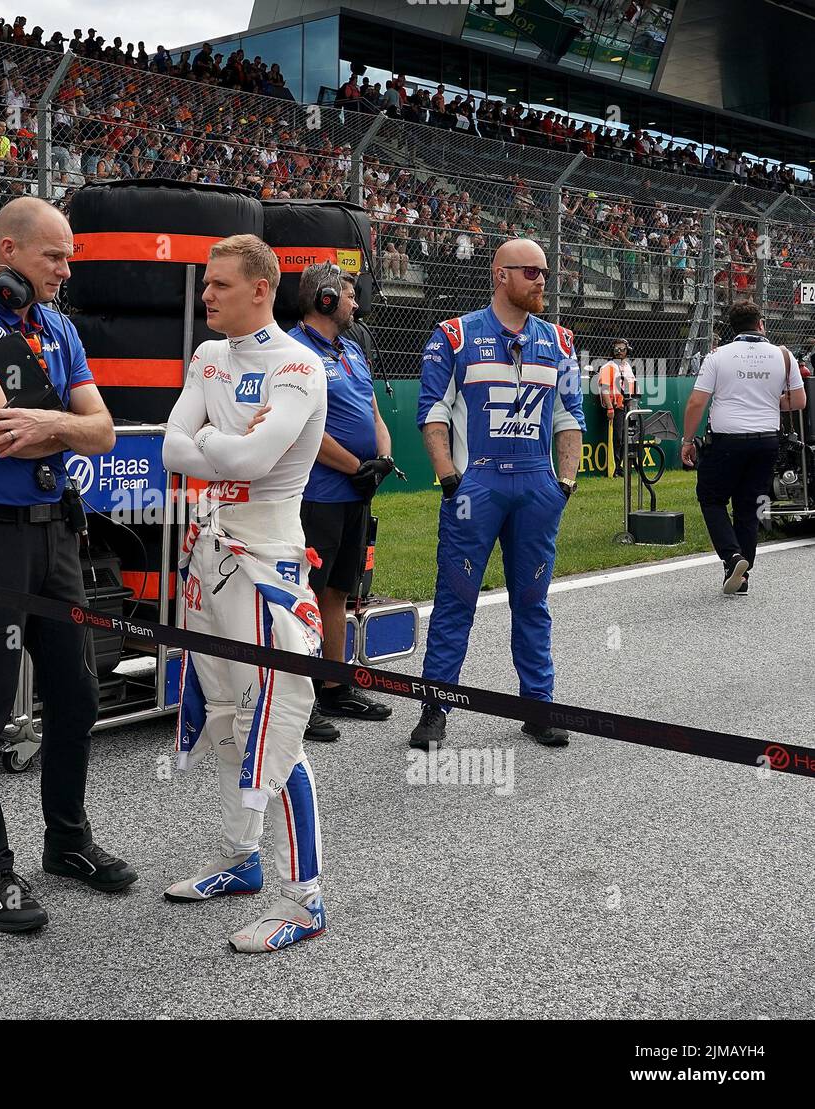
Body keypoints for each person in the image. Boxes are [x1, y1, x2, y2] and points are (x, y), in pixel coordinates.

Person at [0, 196, 135, 935]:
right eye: (55, 257)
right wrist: (64, 429)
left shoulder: (59, 327)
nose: (66, 269)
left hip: (55, 535)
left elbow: (102, 433)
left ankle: (66, 841)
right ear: (7, 251)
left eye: (69, 256)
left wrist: (50, 423)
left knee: (78, 694)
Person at [162, 234, 329, 954]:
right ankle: (242, 858)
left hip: (269, 566)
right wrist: (222, 451)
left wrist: (215, 449)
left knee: (279, 725)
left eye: (220, 285)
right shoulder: (206, 357)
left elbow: (259, 459)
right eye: (206, 284)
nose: (206, 297)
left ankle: (306, 898)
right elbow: (170, 445)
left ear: (261, 289)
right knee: (229, 717)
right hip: (211, 557)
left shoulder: (298, 364)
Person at [410, 238, 585, 751]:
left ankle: (538, 706)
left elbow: (568, 416)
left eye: (546, 272)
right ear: (500, 275)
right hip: (475, 486)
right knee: (455, 600)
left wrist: (566, 484)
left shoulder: (561, 341)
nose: (542, 281)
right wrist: (449, 478)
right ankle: (435, 709)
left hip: (537, 485)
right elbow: (433, 410)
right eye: (531, 271)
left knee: (532, 601)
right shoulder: (455, 335)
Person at [288, 262, 395, 736]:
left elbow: (372, 411)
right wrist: (356, 467)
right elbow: (301, 430)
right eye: (349, 295)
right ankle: (297, 695)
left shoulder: (353, 348)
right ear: (326, 299)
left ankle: (332, 686)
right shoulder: (292, 350)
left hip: (356, 491)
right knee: (303, 593)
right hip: (318, 493)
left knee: (337, 591)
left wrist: (383, 459)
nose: (357, 304)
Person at [681, 301, 805, 596]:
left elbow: (698, 402)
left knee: (711, 498)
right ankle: (742, 575)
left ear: (731, 329)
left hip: (727, 440)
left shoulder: (718, 356)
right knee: (748, 508)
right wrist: (765, 401)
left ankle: (732, 556)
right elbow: (798, 401)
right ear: (761, 324)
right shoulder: (783, 355)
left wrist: (687, 440)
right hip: (766, 439)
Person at [596, 339, 638, 476]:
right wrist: (609, 408)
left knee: (627, 438)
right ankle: (615, 468)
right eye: (617, 349)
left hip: (629, 406)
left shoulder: (627, 366)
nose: (620, 352)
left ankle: (623, 467)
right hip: (616, 407)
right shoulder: (608, 367)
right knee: (618, 438)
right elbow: (605, 389)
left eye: (622, 349)